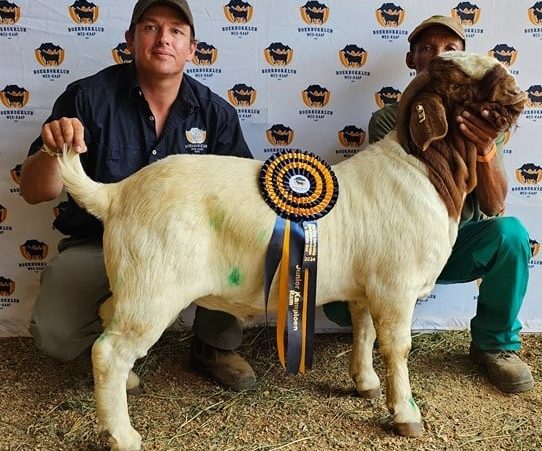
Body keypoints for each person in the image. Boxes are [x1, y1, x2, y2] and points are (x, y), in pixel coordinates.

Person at [19, 0, 256, 391]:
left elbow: (244, 198)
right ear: (130, 39)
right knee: (55, 335)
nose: (164, 39)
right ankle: (113, 345)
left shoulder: (216, 114)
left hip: (191, 246)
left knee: (240, 242)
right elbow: (34, 192)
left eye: (177, 31)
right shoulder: (87, 98)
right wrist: (51, 150)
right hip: (103, 242)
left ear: (192, 48)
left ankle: (214, 345)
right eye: (150, 28)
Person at [324, 15, 533, 393]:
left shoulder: (486, 117)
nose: (438, 56)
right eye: (426, 49)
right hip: (398, 245)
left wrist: (484, 148)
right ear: (411, 61)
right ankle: (378, 334)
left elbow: (494, 203)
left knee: (511, 236)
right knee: (337, 307)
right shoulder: (390, 118)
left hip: (458, 240)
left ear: (464, 60)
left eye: (450, 49)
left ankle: (496, 344)